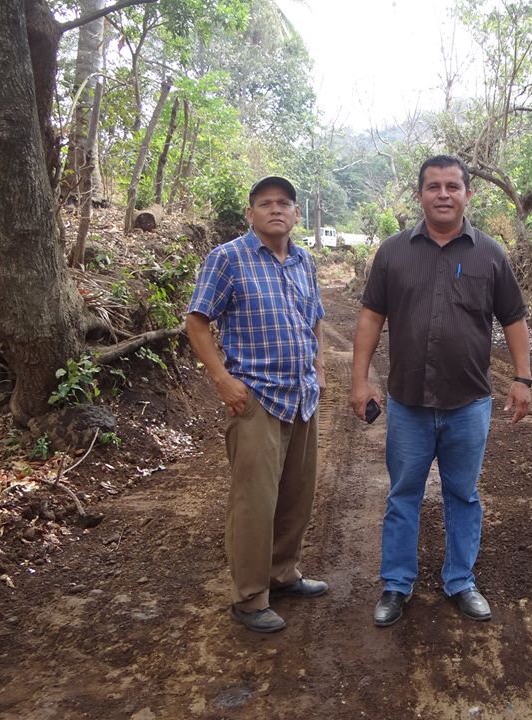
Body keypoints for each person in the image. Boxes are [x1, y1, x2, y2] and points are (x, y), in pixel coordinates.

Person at [350, 155, 532, 627]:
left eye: (453, 186)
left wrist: (522, 377)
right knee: (403, 493)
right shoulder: (392, 252)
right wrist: (359, 379)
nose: (444, 194)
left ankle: (460, 581)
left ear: (468, 194)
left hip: (468, 402)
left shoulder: (490, 254)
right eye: (434, 186)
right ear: (420, 195)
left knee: (463, 495)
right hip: (407, 401)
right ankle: (396, 583)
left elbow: (513, 318)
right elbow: (371, 317)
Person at [186, 176, 328, 633]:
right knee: (255, 502)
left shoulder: (304, 261)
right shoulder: (228, 258)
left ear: (296, 213)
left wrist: (320, 369)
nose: (275, 210)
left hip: (302, 395)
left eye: (284, 203)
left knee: (296, 495)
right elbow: (197, 322)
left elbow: (316, 321)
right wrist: (222, 380)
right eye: (265, 204)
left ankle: (283, 574)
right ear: (251, 214)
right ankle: (250, 598)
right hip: (256, 398)